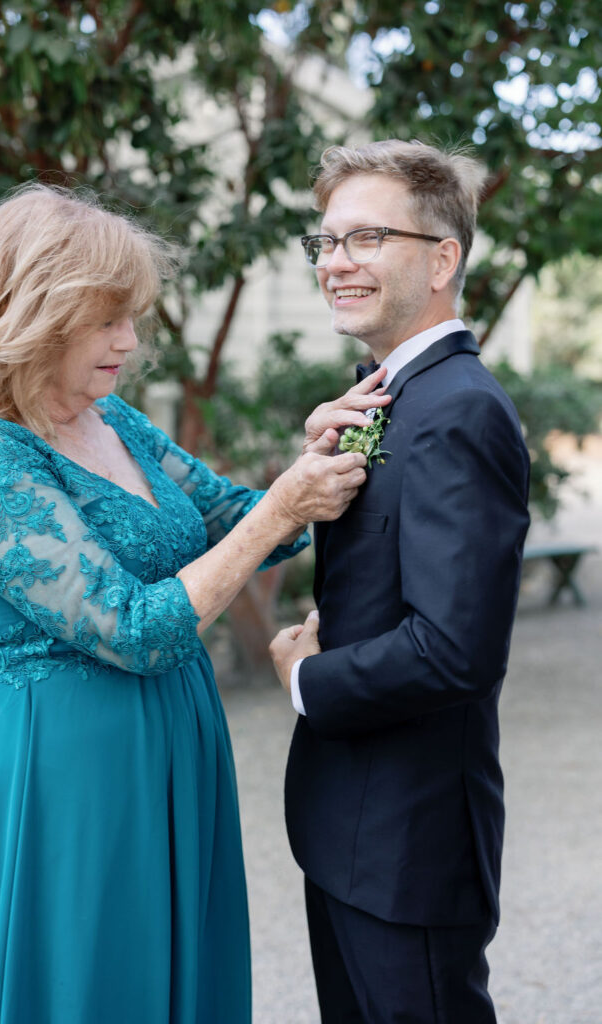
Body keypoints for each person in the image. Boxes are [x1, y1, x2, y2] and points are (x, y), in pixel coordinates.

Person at [0, 183, 370, 1024]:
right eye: (105, 319)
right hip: (64, 775)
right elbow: (133, 629)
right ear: (33, 314)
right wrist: (283, 504)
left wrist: (311, 458)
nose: (128, 341)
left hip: (173, 741)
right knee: (88, 985)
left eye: (130, 317)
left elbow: (241, 523)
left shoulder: (116, 420)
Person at [270, 140, 531, 1023]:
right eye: (327, 242)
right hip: (349, 832)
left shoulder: (457, 409)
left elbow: (453, 650)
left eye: (367, 238)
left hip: (407, 848)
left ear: (442, 258)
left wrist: (307, 680)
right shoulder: (386, 398)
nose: (336, 262)